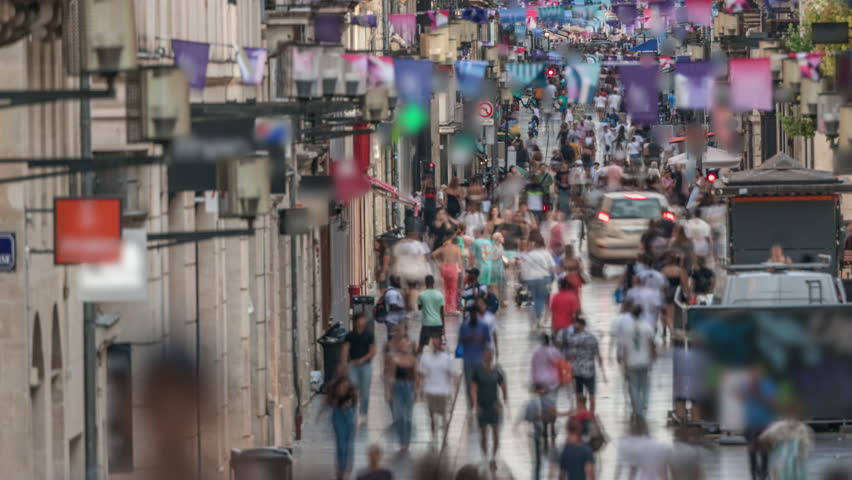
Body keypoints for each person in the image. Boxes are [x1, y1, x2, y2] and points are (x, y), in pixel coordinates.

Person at [616, 305, 657, 419]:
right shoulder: (647, 327)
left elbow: (624, 348)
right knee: (644, 385)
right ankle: (643, 407)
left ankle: (636, 409)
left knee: (633, 386)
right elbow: (651, 344)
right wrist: (653, 356)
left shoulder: (626, 328)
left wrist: (624, 363)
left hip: (631, 361)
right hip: (644, 360)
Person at [417, 332, 457, 443]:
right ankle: (434, 436)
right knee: (431, 416)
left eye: (436, 342)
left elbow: (451, 374)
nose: (434, 344)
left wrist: (453, 388)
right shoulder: (425, 358)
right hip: (430, 391)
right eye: (432, 342)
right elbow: (422, 375)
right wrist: (420, 390)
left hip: (443, 391)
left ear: (440, 343)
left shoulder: (446, 358)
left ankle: (444, 436)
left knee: (443, 416)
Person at [471, 349, 508, 469]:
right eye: (486, 355)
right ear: (483, 356)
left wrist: (504, 400)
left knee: (496, 432)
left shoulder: (497, 371)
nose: (488, 357)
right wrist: (475, 405)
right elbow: (473, 388)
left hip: (493, 406)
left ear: (492, 357)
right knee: (483, 434)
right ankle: (485, 457)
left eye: (490, 355)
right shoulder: (477, 371)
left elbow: (503, 386)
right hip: (482, 406)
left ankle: (493, 457)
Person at [742, 365, 778, 480]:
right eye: (752, 372)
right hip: (750, 423)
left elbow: (773, 402)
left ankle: (764, 472)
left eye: (757, 372)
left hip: (764, 422)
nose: (754, 374)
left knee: (764, 449)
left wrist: (758, 394)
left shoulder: (767, 384)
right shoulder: (747, 385)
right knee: (751, 449)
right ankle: (753, 472)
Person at [564, 318, 606, 414]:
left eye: (576, 325)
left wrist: (567, 369)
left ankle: (580, 413)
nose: (574, 326)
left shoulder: (573, 339)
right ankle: (591, 414)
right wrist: (602, 370)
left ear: (581, 325)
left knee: (579, 393)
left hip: (577, 370)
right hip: (590, 370)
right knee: (592, 394)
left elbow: (570, 356)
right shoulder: (592, 338)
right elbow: (598, 355)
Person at [340, 313, 376, 424]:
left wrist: (363, 359)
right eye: (361, 320)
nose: (363, 321)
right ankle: (353, 411)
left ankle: (363, 413)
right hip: (353, 366)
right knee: (353, 389)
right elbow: (345, 350)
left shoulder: (369, 335)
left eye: (363, 319)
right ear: (355, 322)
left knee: (365, 391)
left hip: (365, 366)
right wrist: (344, 364)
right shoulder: (349, 336)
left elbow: (373, 351)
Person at [458, 295, 493, 407]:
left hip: (480, 360)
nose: (473, 316)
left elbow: (487, 342)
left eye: (474, 313)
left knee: (480, 382)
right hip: (468, 361)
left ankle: (479, 402)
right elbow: (460, 342)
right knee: (469, 384)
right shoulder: (464, 327)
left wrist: (488, 360)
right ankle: (471, 403)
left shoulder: (483, 326)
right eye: (471, 314)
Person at [519, 383, 558, 480]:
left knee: (537, 460)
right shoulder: (538, 402)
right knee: (539, 459)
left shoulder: (533, 402)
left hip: (537, 431)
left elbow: (526, 418)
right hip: (538, 430)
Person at [386, 332, 417, 452]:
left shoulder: (412, 360)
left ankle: (406, 442)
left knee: (408, 416)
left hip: (409, 387)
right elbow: (391, 376)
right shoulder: (394, 359)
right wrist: (388, 391)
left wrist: (417, 391)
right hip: (397, 387)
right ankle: (401, 439)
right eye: (402, 343)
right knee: (399, 416)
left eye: (406, 343)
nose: (404, 345)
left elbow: (416, 377)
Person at [520, 234, 557, 327]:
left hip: (530, 280)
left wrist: (523, 280)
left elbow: (524, 269)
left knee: (534, 298)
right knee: (542, 298)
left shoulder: (528, 255)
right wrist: (552, 277)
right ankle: (539, 319)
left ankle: (535, 318)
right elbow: (552, 268)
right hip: (543, 279)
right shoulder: (546, 253)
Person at [325, 376, 358, 480]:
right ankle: (341, 467)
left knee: (348, 443)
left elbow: (355, 401)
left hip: (349, 414)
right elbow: (328, 401)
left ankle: (347, 467)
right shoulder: (333, 385)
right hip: (338, 415)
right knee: (340, 444)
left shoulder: (351, 386)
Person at [660, 252, 691, 339]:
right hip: (677, 292)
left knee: (667, 313)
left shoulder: (663, 270)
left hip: (667, 292)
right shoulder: (680, 270)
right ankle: (675, 330)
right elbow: (685, 284)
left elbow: (661, 284)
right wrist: (688, 295)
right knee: (677, 312)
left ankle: (668, 330)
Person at [433, 236, 463, 314]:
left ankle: (445, 309)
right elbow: (459, 261)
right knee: (453, 289)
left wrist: (438, 263)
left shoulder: (443, 248)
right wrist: (462, 271)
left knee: (445, 289)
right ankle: (452, 309)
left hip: (444, 267)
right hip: (452, 267)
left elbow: (433, 254)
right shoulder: (457, 248)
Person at [417, 275, 445, 355]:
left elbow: (419, 307)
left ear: (425, 283)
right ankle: (438, 363)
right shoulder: (440, 295)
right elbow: (441, 312)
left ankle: (417, 363)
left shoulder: (421, 295)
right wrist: (443, 327)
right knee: (438, 346)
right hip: (437, 323)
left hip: (426, 324)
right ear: (433, 283)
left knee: (421, 346)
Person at [383, 276, 406, 340]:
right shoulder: (392, 293)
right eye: (398, 280)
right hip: (392, 321)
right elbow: (392, 306)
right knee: (392, 341)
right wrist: (404, 308)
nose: (399, 282)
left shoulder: (394, 291)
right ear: (393, 282)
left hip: (395, 321)